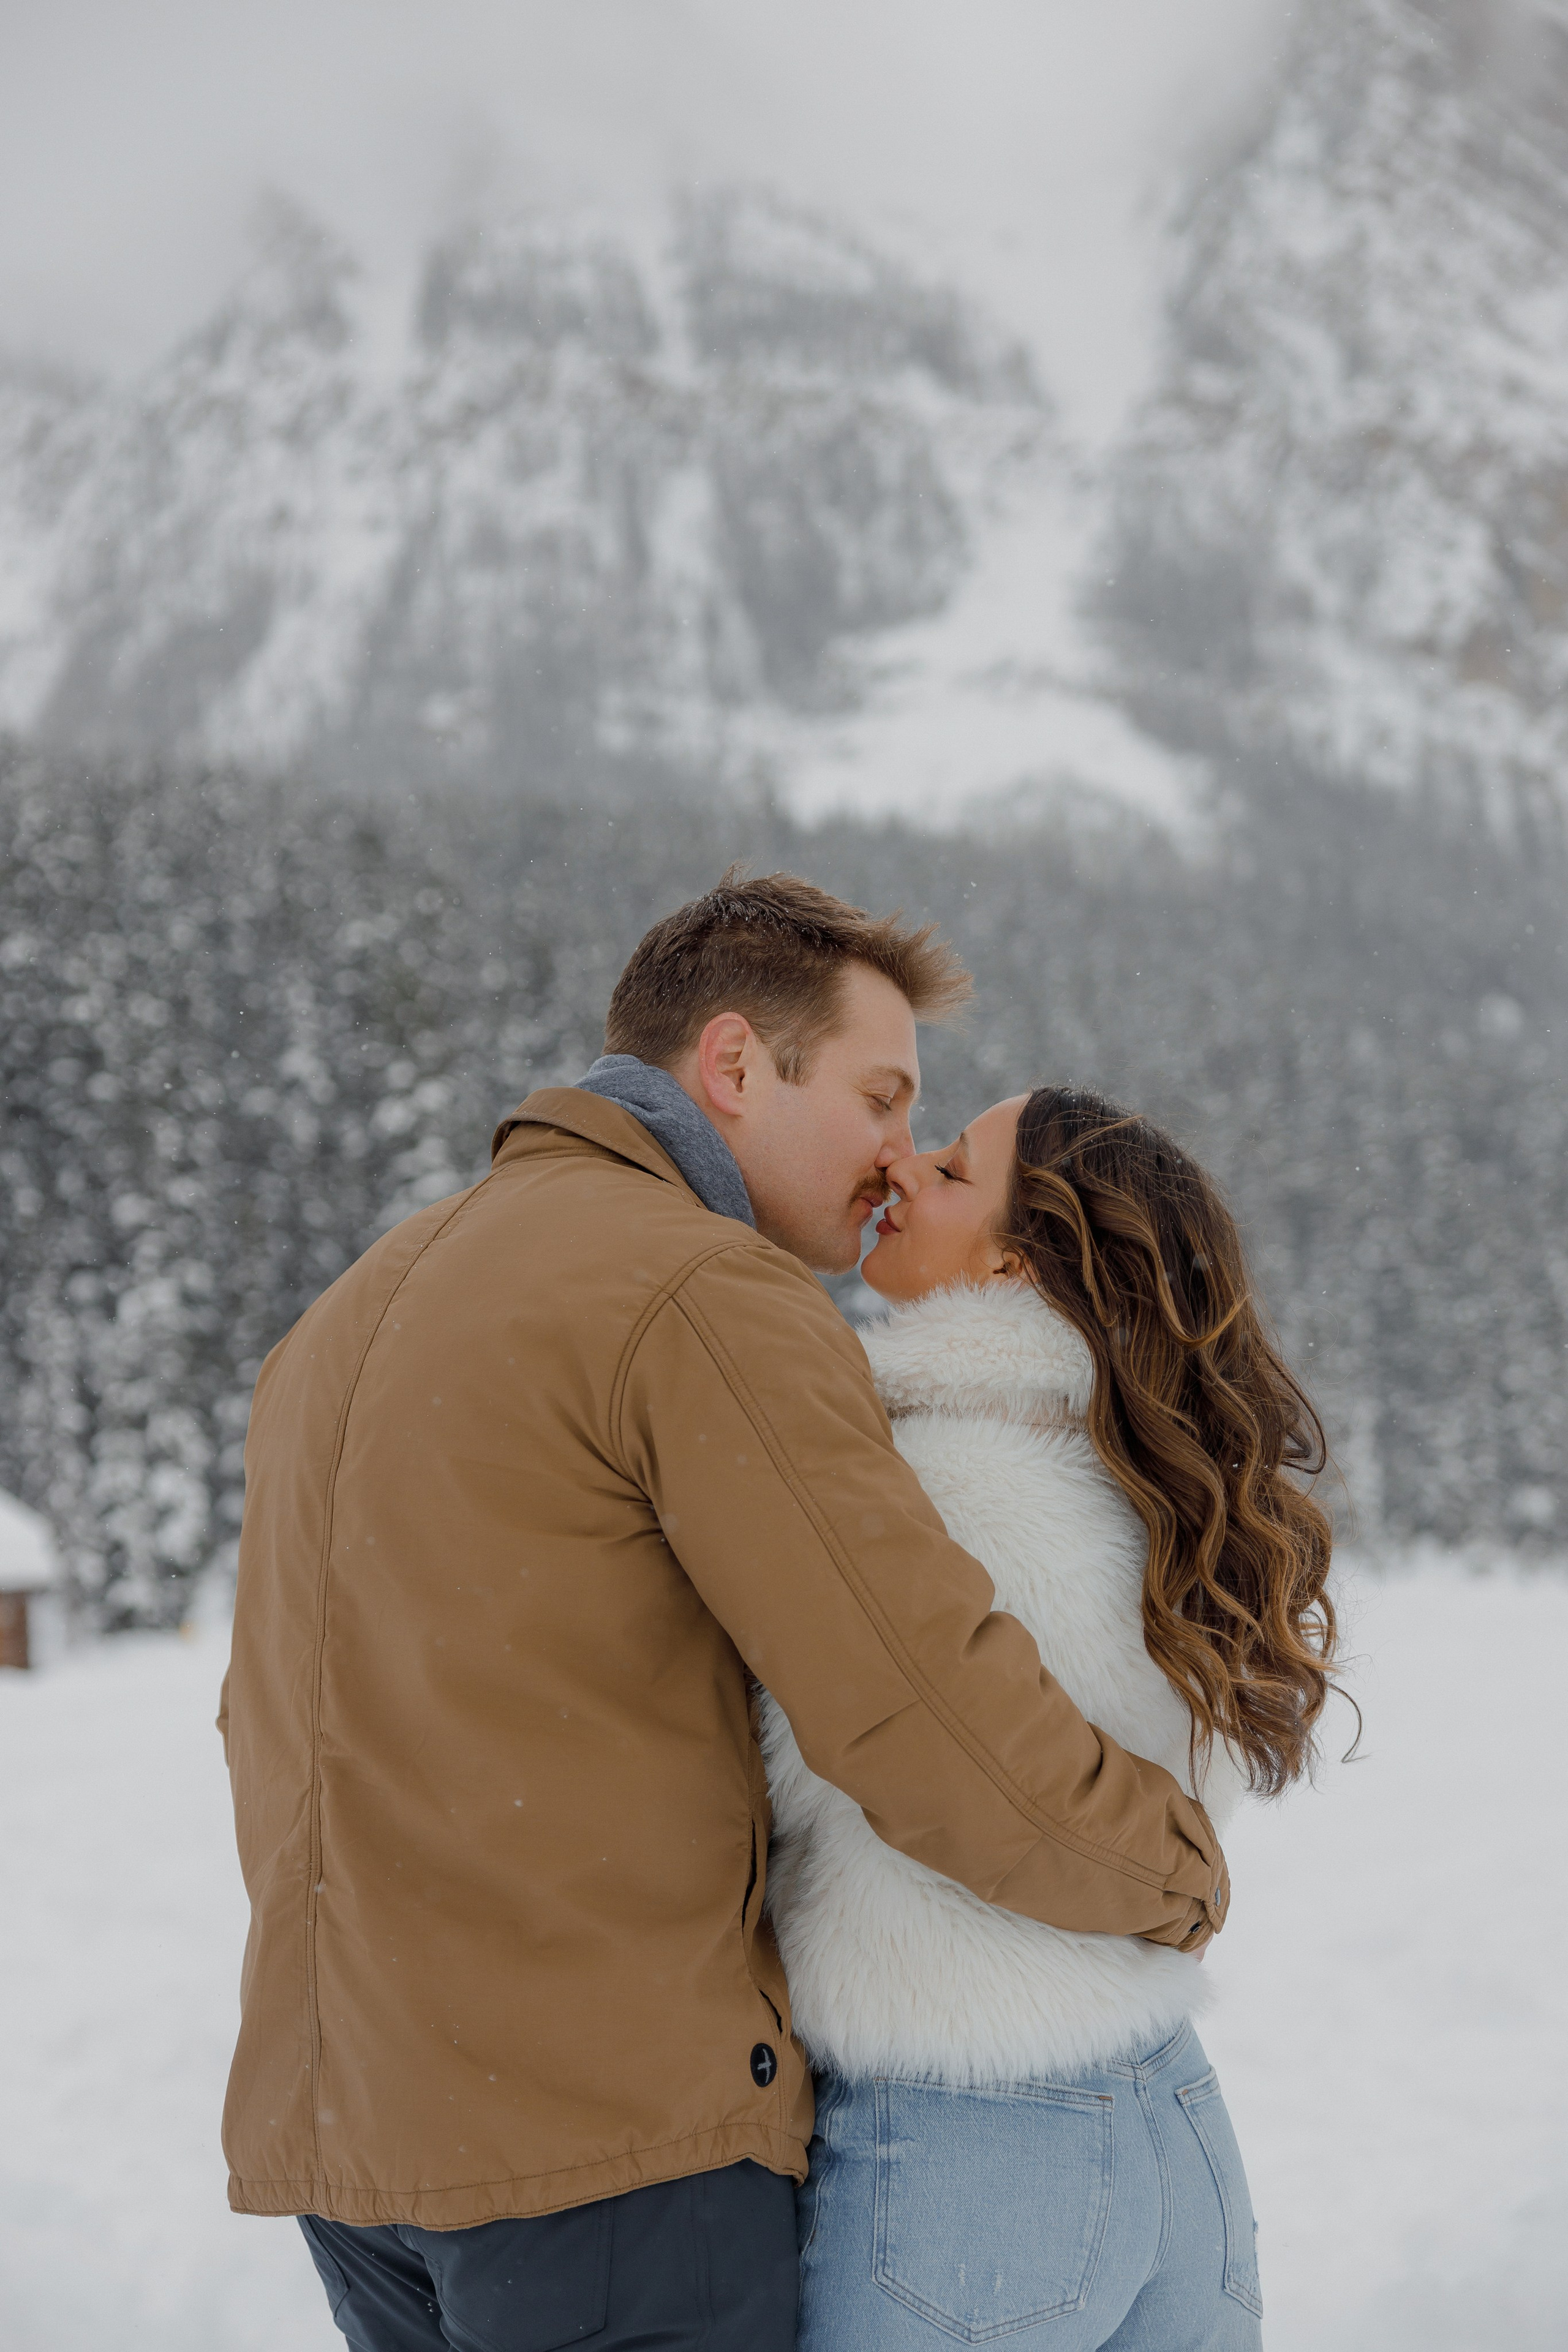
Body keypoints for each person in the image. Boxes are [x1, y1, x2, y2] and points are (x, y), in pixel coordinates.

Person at [218, 874, 1229, 2352]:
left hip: (357, 2156)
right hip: (609, 2170)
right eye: (882, 1097)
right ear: (738, 1064)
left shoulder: (347, 1311)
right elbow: (918, 1711)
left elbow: (272, 1717)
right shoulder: (700, 1291)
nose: (896, 1155)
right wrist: (1166, 1871)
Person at [766, 1085, 1339, 2352]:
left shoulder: (919, 1482)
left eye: (954, 1168)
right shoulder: (1160, 1485)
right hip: (1166, 2118)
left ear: (1016, 1257)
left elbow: (813, 1770)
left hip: (967, 2143)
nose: (904, 1172)